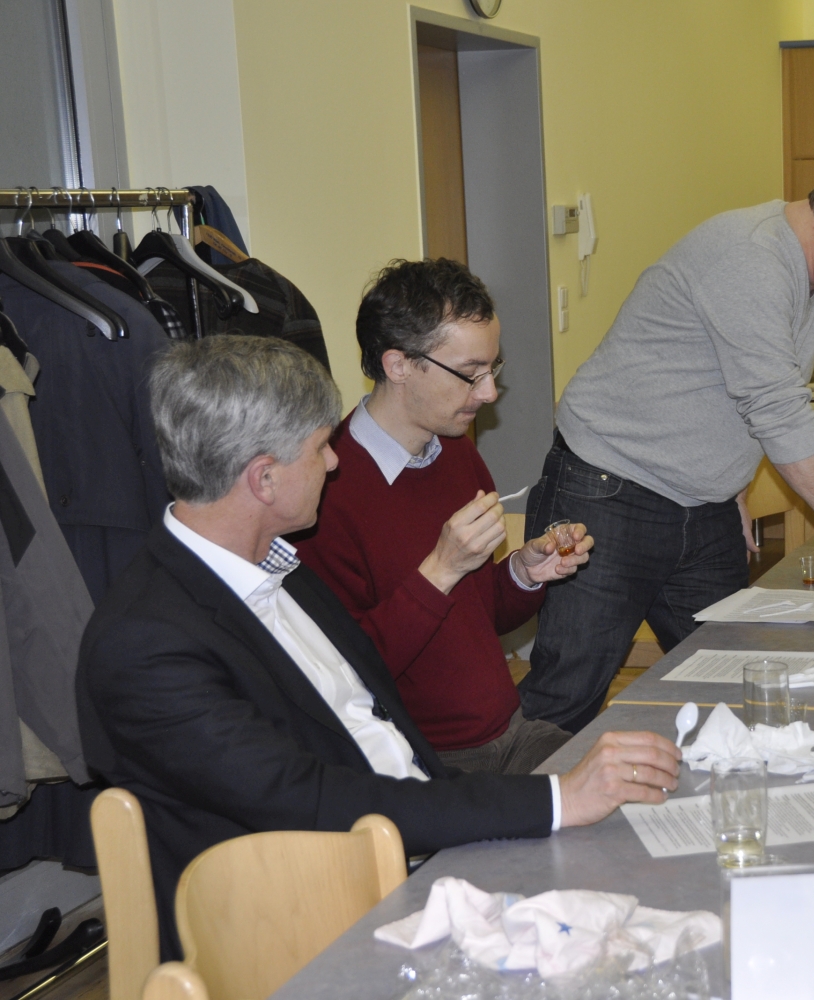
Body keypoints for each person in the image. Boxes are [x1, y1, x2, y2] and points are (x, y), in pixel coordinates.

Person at [75, 336, 681, 957]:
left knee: (658, 852)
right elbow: (313, 801)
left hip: (408, 854)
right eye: (320, 449)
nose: (335, 463)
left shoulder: (279, 565)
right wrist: (556, 798)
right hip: (304, 924)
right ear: (264, 478)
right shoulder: (147, 646)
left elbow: (380, 736)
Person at [524, 151, 814, 732]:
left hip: (701, 505)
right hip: (610, 489)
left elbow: (744, 386)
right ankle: (508, 792)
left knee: (735, 682)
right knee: (566, 696)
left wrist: (734, 481)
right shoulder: (750, 258)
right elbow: (774, 406)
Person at [296, 260, 584, 775]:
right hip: (426, 761)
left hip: (510, 729)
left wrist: (523, 572)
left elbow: (479, 615)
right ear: (398, 365)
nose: (489, 393)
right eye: (470, 374)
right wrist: (442, 568)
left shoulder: (454, 452)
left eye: (492, 370)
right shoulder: (326, 489)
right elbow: (348, 671)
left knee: (638, 781)